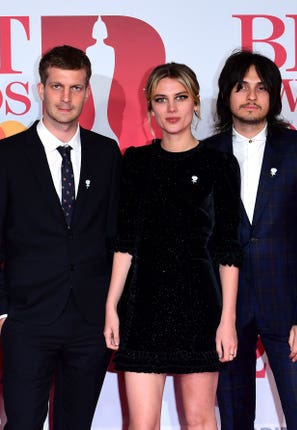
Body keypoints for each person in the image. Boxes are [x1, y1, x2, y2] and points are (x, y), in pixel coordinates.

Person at [0, 45, 122, 429]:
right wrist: (1, 315)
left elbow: (116, 239)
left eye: (75, 88)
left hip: (89, 323)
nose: (66, 97)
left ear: (88, 93)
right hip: (26, 321)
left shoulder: (106, 154)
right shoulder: (6, 155)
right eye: (57, 86)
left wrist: (112, 309)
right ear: (40, 89)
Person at [103, 62, 242, 430]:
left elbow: (228, 249)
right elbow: (125, 240)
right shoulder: (136, 162)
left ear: (195, 102)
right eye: (161, 100)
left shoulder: (219, 164)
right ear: (150, 108)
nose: (171, 108)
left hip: (200, 306)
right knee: (142, 424)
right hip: (143, 307)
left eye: (180, 98)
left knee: (199, 420)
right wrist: (111, 305)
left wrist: (227, 320)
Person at [204, 50, 297, 430]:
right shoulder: (206, 155)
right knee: (233, 418)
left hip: (289, 310)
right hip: (225, 312)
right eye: (241, 87)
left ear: (274, 96)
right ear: (227, 94)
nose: (251, 96)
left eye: (261, 88)